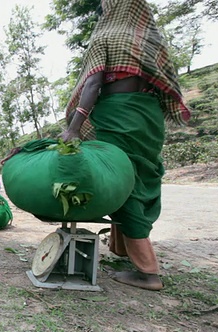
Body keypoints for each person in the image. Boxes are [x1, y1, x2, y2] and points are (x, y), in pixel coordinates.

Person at [60, 0, 190, 291]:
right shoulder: (150, 41)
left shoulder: (104, 38)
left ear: (111, 10)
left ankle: (148, 272)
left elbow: (93, 85)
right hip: (147, 116)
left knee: (122, 181)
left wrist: (74, 127)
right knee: (142, 175)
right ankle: (120, 248)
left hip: (119, 113)